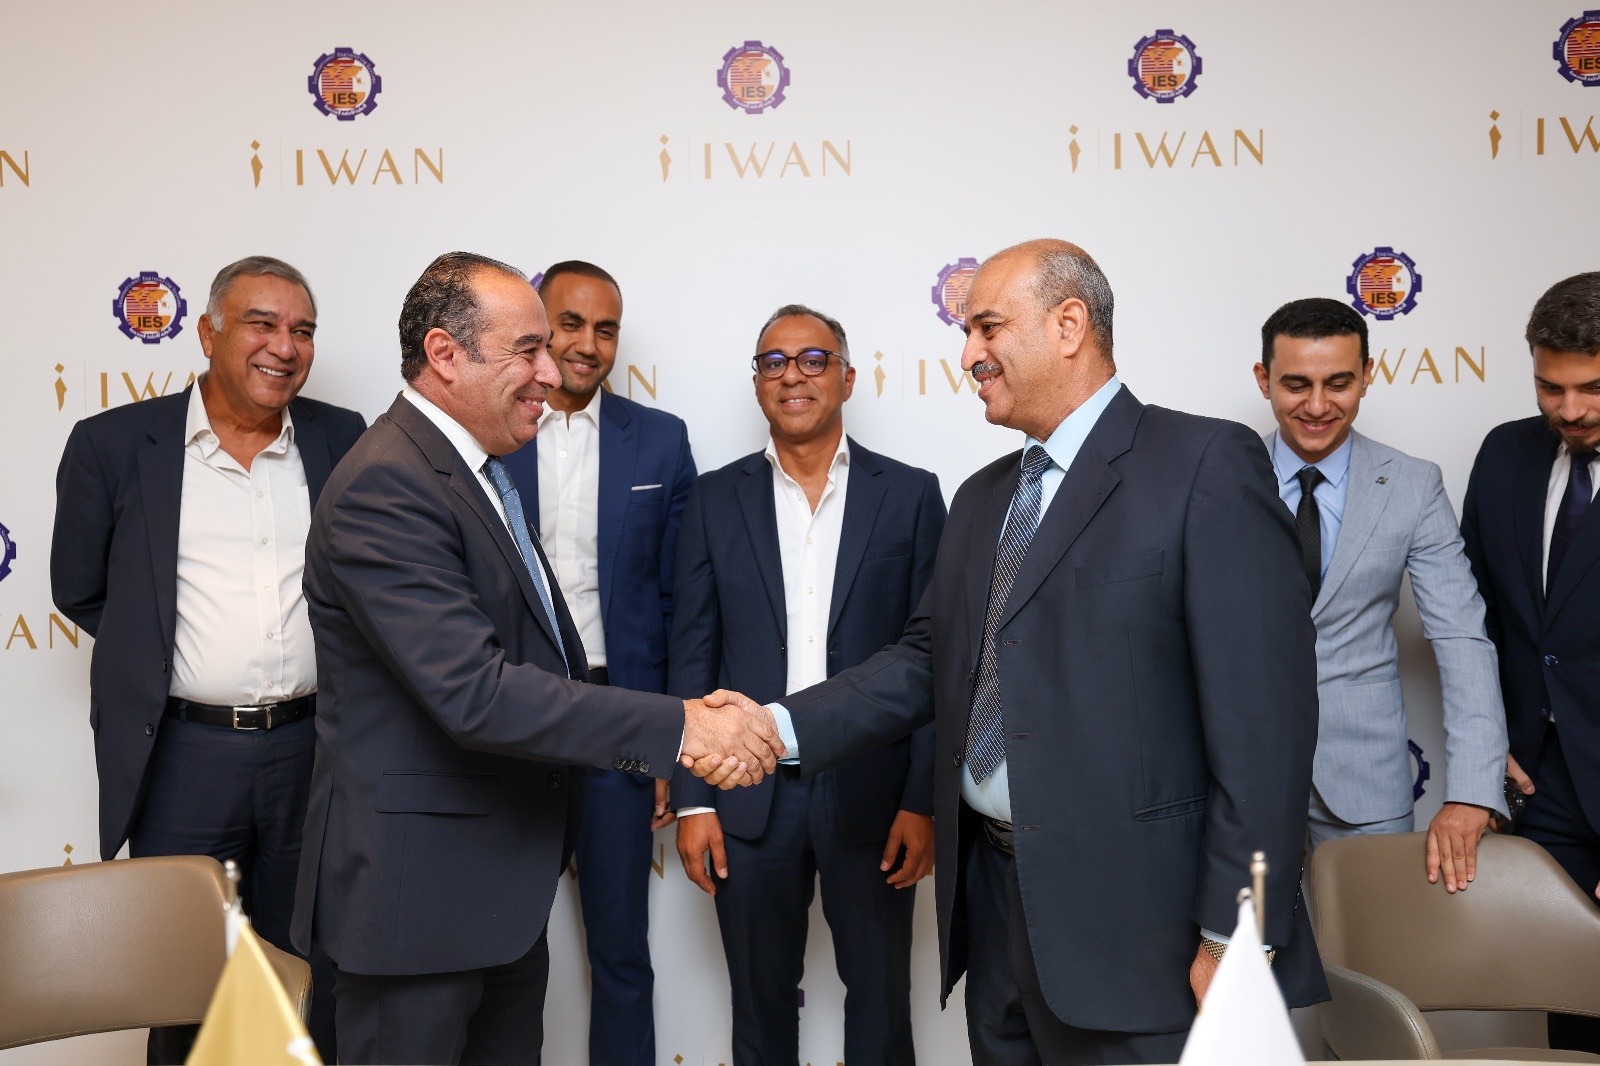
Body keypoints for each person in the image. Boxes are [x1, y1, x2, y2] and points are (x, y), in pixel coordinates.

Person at [693, 239, 1327, 1065]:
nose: (968, 356)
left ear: (1069, 325)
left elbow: (1265, 725)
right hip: (996, 913)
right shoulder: (983, 496)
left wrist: (1234, 933)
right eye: (967, 333)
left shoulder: (1203, 464)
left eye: (987, 328)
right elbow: (922, 662)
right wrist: (773, 727)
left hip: (1145, 932)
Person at [289, 251, 778, 1066]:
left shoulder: (472, 471)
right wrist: (683, 728)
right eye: (528, 349)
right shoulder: (388, 484)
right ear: (445, 354)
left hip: (493, 895)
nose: (550, 373)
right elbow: (475, 693)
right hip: (420, 906)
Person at [50, 256, 365, 1062]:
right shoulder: (115, 444)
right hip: (183, 759)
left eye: (302, 330)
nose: (284, 346)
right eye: (262, 324)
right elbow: (81, 589)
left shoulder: (341, 438)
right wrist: (168, 652)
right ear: (208, 333)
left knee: (312, 974)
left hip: (313, 753)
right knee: (190, 985)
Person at [669, 304, 944, 1065]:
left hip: (875, 791)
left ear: (848, 378)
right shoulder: (713, 499)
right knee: (759, 1011)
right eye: (774, 361)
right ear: (758, 382)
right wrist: (693, 799)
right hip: (746, 791)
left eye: (814, 359)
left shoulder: (911, 495)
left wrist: (920, 799)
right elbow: (692, 651)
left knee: (882, 1004)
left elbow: (934, 661)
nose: (793, 374)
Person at [500, 260, 696, 1065]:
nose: (587, 344)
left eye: (605, 329)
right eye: (570, 324)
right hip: (508, 719)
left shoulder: (660, 439)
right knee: (498, 950)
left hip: (619, 724)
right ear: (538, 328)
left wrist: (667, 741)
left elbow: (680, 604)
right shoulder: (488, 433)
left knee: (621, 951)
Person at [1253, 298, 1508, 886]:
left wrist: (1473, 789)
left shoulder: (1414, 485)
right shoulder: (1219, 477)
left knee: (1374, 942)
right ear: (1264, 379)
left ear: (1368, 375)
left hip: (1366, 779)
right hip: (1239, 777)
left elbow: (1462, 637)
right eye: (1296, 384)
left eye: (1339, 383)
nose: (1318, 406)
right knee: (1247, 942)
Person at [1461, 271, 1600, 1053]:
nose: (1570, 409)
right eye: (1551, 387)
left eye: (1592, 389)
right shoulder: (1506, 453)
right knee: (1574, 1013)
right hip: (1543, 790)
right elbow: (1475, 616)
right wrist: (1493, 742)